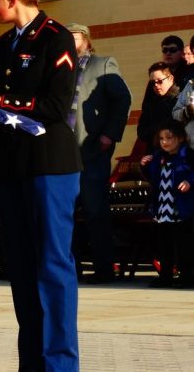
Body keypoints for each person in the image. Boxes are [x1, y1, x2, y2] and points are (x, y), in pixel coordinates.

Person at [0, 0, 81, 372]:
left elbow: (53, 106)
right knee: (23, 271)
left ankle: (60, 364)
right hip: (14, 168)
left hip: (50, 166)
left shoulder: (56, 38)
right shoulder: (5, 44)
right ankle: (33, 363)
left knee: (52, 265)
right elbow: (9, 119)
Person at [64, 23, 131, 283]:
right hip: (64, 153)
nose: (69, 41)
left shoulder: (103, 64)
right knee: (66, 213)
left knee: (95, 211)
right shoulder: (62, 67)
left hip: (91, 151)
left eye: (74, 36)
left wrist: (109, 134)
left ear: (86, 39)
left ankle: (104, 269)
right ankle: (73, 268)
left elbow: (123, 99)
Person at [140, 120, 194, 288]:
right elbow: (153, 178)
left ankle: (187, 276)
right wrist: (144, 166)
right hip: (164, 208)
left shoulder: (189, 156)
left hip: (181, 209)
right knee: (164, 244)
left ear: (181, 138)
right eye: (162, 138)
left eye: (169, 138)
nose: (165, 142)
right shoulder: (158, 157)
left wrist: (189, 182)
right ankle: (165, 276)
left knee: (184, 244)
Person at [138, 62, 180, 149]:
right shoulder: (151, 103)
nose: (156, 85)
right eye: (153, 83)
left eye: (160, 81)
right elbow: (141, 132)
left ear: (171, 78)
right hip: (155, 153)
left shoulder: (180, 101)